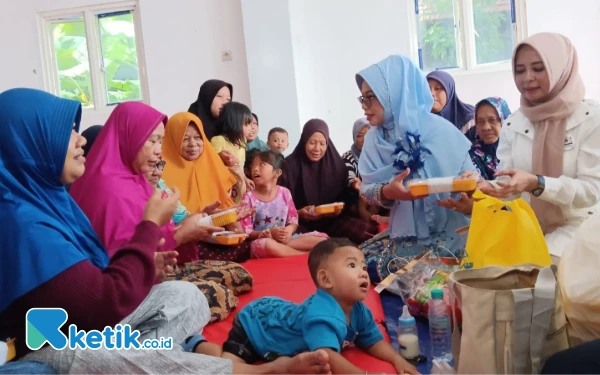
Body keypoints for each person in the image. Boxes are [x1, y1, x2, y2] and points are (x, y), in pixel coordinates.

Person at [0, 88, 333, 375]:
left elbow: (98, 274)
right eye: (63, 132)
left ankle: (158, 358)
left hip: (92, 316)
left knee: (188, 298)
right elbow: (105, 301)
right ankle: (236, 370)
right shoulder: (24, 220)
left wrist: (153, 260)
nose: (81, 138)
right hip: (45, 340)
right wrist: (153, 232)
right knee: (86, 354)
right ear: (30, 144)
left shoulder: (50, 199)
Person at [442, 32, 600, 263]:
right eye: (520, 70)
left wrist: (538, 183)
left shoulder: (591, 119)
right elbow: (511, 187)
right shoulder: (515, 123)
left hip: (583, 229)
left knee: (544, 274)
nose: (527, 78)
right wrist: (485, 187)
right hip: (529, 229)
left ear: (561, 69)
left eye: (538, 68)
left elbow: (592, 191)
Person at [192, 238, 420, 375]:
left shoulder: (358, 309)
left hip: (279, 313)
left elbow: (373, 340)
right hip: (255, 327)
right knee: (229, 367)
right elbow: (328, 355)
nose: (362, 271)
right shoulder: (320, 314)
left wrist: (396, 359)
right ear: (326, 280)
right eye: (352, 265)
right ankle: (197, 344)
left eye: (362, 265)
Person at [356, 55, 476, 283]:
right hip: (405, 235)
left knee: (419, 278)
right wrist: (386, 193)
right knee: (357, 263)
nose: (364, 106)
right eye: (362, 98)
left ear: (395, 94)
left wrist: (470, 187)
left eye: (371, 98)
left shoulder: (441, 130)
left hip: (451, 232)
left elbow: (471, 178)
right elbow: (366, 189)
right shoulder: (374, 139)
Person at [69, 102, 223, 261]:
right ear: (129, 137)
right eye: (152, 141)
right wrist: (182, 234)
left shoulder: (135, 178)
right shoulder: (108, 189)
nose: (158, 151)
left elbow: (154, 233)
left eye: (160, 142)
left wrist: (194, 221)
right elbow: (127, 262)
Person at [161, 112, 252, 262]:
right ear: (172, 139)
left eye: (198, 137)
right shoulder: (160, 171)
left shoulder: (211, 162)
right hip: (183, 238)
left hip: (215, 234)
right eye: (185, 138)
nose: (193, 144)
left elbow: (224, 203)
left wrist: (233, 225)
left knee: (242, 247)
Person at [279, 119, 376, 245]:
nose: (317, 148)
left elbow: (345, 200)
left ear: (327, 143)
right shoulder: (288, 166)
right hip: (300, 223)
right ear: (304, 141)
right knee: (290, 238)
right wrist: (299, 213)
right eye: (312, 143)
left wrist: (339, 208)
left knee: (366, 232)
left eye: (322, 143)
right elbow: (279, 205)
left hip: (333, 222)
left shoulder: (336, 165)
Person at [241, 150, 328, 258]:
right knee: (267, 245)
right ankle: (304, 256)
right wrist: (269, 233)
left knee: (323, 240)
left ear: (277, 173)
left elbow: (293, 220)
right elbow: (246, 231)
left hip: (286, 240)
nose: (255, 168)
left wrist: (289, 230)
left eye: (262, 164)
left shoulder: (285, 193)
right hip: (262, 242)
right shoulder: (248, 197)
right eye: (253, 165)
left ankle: (286, 250)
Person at [211, 101, 255, 203]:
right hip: (224, 191)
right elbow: (210, 163)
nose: (251, 128)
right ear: (234, 123)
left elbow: (240, 167)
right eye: (247, 124)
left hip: (239, 189)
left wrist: (245, 179)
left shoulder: (242, 142)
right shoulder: (218, 140)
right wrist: (220, 157)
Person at [427, 70, 477, 142]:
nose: (431, 93)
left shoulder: (471, 119)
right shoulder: (420, 122)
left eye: (437, 88)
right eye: (427, 89)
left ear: (449, 91)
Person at [469, 97, 511, 180]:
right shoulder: (472, 155)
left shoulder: (519, 148)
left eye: (492, 120)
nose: (486, 127)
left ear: (504, 120)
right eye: (480, 121)